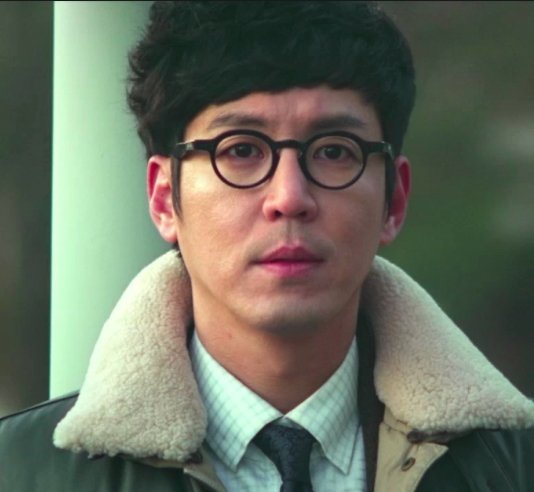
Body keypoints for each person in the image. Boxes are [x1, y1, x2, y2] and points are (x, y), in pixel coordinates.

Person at [1, 1, 533, 491]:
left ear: (394, 200)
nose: (289, 198)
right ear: (164, 198)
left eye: (334, 151)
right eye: (240, 150)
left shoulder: (513, 467)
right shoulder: (20, 472)